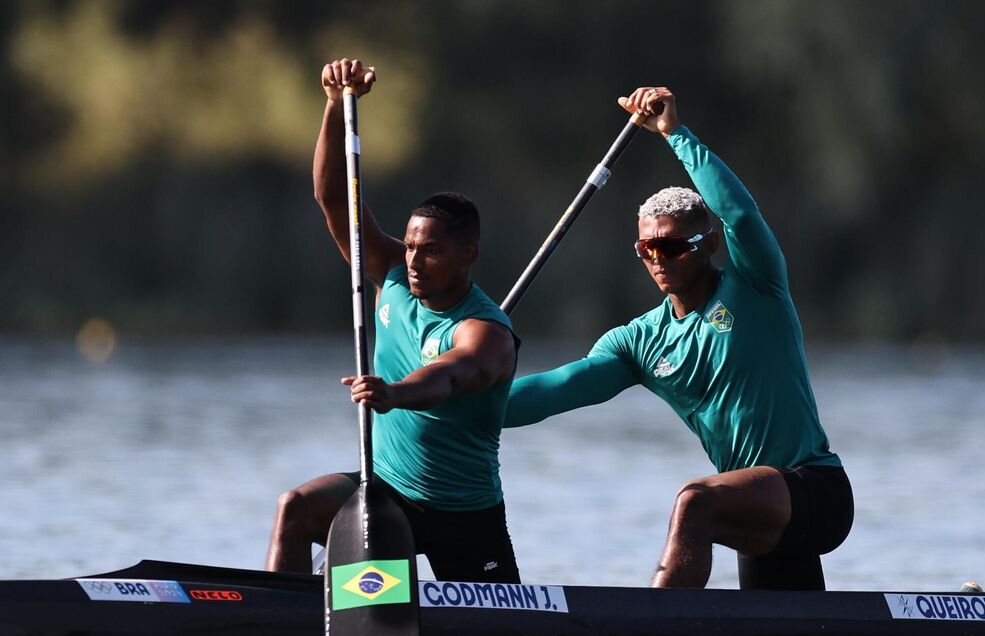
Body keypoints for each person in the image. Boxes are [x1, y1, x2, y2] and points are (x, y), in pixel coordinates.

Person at [505, 86, 853, 591]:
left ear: (708, 245)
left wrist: (673, 133)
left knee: (695, 499)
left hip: (814, 489)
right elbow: (557, 389)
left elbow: (739, 214)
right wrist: (461, 404)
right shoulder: (640, 341)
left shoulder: (756, 285)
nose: (657, 259)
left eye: (670, 246)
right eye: (646, 247)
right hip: (751, 508)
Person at [265, 59, 521, 583]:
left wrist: (394, 394)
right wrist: (336, 105)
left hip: (465, 517)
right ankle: (279, 617)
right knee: (296, 506)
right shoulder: (391, 273)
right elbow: (334, 199)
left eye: (432, 251)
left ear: (468, 253)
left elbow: (450, 375)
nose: (414, 260)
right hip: (386, 496)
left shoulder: (486, 332)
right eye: (409, 246)